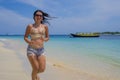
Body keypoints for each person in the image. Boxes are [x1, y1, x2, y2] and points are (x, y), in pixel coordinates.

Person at [24, 10, 51, 80]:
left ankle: (35, 75)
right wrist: (29, 42)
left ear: (42, 18)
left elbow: (48, 37)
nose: (38, 16)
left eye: (40, 15)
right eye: (37, 15)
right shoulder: (30, 26)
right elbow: (25, 37)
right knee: (36, 68)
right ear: (34, 17)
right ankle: (34, 77)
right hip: (31, 49)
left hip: (41, 50)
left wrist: (44, 39)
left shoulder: (45, 27)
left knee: (42, 69)